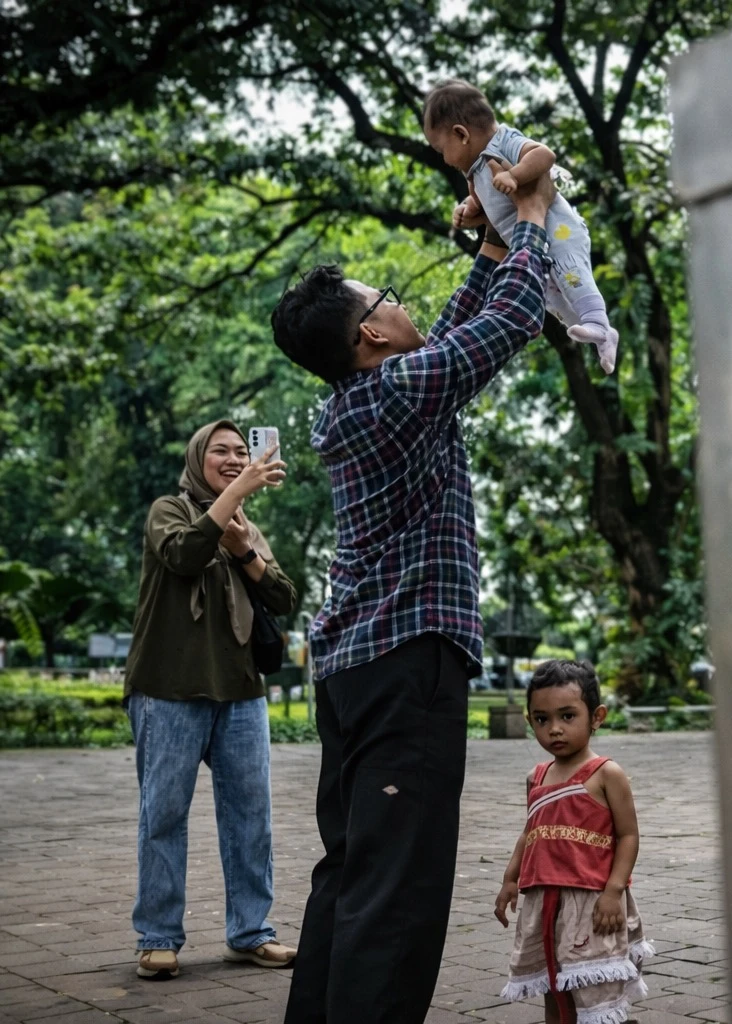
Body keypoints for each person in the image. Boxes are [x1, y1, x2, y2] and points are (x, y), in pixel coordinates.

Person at [268, 166, 555, 1024]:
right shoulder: (394, 393)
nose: (398, 301)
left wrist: (491, 240)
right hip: (404, 667)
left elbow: (457, 335)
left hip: (359, 669)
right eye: (383, 296)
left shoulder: (372, 396)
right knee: (397, 889)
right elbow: (505, 325)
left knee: (354, 869)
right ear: (369, 338)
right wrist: (533, 222)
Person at [122, 420, 297, 980]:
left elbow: (284, 596)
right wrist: (234, 496)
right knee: (163, 816)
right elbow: (182, 555)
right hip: (168, 689)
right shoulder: (167, 511)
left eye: (240, 451)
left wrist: (247, 551)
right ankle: (158, 936)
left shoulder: (245, 525)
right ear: (198, 458)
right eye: (220, 450)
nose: (232, 457)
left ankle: (249, 933)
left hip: (241, 693)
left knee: (251, 820)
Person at [421, 78, 619, 375]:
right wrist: (469, 210)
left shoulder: (503, 142)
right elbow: (489, 207)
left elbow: (543, 154)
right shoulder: (474, 172)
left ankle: (597, 320)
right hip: (535, 246)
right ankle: (599, 334)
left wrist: (514, 175)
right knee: (552, 294)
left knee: (570, 271)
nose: (443, 159)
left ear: (461, 135)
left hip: (558, 230)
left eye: (440, 149)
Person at [494, 660, 651, 1024]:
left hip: (591, 901)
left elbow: (628, 835)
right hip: (544, 901)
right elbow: (529, 832)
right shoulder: (537, 777)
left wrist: (613, 891)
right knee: (554, 980)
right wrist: (510, 879)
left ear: (596, 717)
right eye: (541, 719)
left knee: (594, 984)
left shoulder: (606, 774)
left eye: (567, 716)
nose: (554, 730)